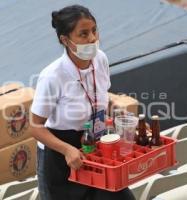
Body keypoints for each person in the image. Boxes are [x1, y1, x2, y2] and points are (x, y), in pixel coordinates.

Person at [30, 4, 135, 200]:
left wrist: (115, 111)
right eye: (83, 34)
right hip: (61, 155)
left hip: (95, 144)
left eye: (94, 30)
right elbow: (35, 127)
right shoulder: (52, 76)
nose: (93, 38)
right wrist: (67, 150)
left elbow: (101, 94)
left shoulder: (100, 59)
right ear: (65, 40)